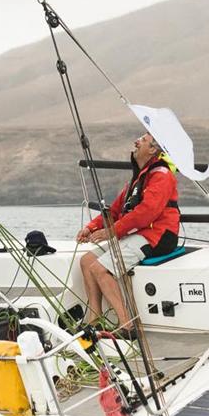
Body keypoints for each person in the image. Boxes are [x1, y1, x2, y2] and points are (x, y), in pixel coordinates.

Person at [76, 133, 180, 337]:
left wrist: (112, 232)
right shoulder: (137, 179)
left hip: (158, 236)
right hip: (138, 234)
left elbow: (146, 213)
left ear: (152, 149)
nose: (136, 141)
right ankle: (95, 321)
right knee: (87, 261)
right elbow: (114, 212)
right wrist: (90, 228)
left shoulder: (161, 176)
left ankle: (128, 326)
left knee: (100, 268)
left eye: (143, 139)